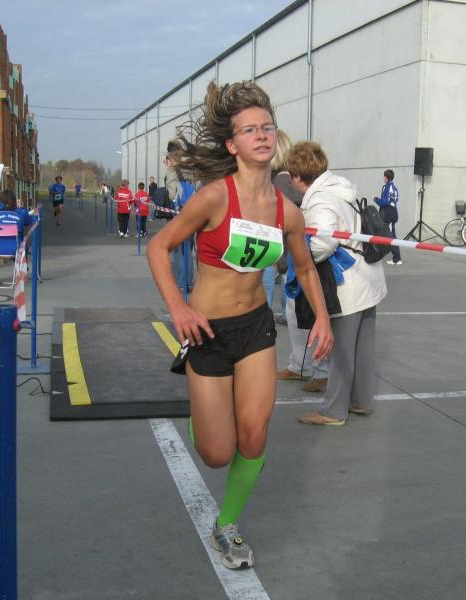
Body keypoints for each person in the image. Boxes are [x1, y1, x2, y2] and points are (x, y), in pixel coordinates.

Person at [146, 80, 333, 570]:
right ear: (232, 145)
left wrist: (322, 317)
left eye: (267, 126)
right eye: (249, 130)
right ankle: (204, 418)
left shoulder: (286, 210)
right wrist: (178, 308)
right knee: (217, 452)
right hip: (207, 332)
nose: (262, 134)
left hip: (255, 329)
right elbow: (159, 246)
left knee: (254, 435)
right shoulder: (213, 198)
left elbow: (306, 267)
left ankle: (226, 525)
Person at [286, 141, 387, 425]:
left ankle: (333, 411)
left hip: (346, 283)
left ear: (297, 176)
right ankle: (361, 400)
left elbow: (323, 243)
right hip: (367, 276)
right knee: (364, 346)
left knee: (341, 349)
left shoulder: (320, 199)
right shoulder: (342, 188)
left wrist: (299, 255)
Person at [272, 130, 329, 393]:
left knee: (306, 316)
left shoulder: (283, 182)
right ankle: (302, 366)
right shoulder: (284, 181)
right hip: (293, 260)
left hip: (299, 260)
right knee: (296, 316)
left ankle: (319, 370)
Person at [0, 188, 34, 282]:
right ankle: (22, 270)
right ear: (14, 200)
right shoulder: (20, 213)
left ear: (1, 201)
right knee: (23, 244)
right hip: (14, 248)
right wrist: (21, 208)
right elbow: (29, 221)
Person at [165, 141, 195, 291]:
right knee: (187, 250)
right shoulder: (188, 169)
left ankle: (181, 283)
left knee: (177, 252)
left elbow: (172, 195)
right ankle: (188, 282)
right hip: (192, 214)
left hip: (178, 216)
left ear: (170, 156)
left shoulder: (172, 172)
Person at [374, 169, 401, 265]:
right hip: (391, 213)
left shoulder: (388, 187)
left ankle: (397, 259)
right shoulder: (392, 187)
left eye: (384, 176)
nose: (383, 178)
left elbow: (385, 202)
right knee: (388, 234)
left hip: (388, 214)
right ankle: (396, 258)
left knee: (391, 236)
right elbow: (395, 199)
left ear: (386, 177)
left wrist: (376, 199)